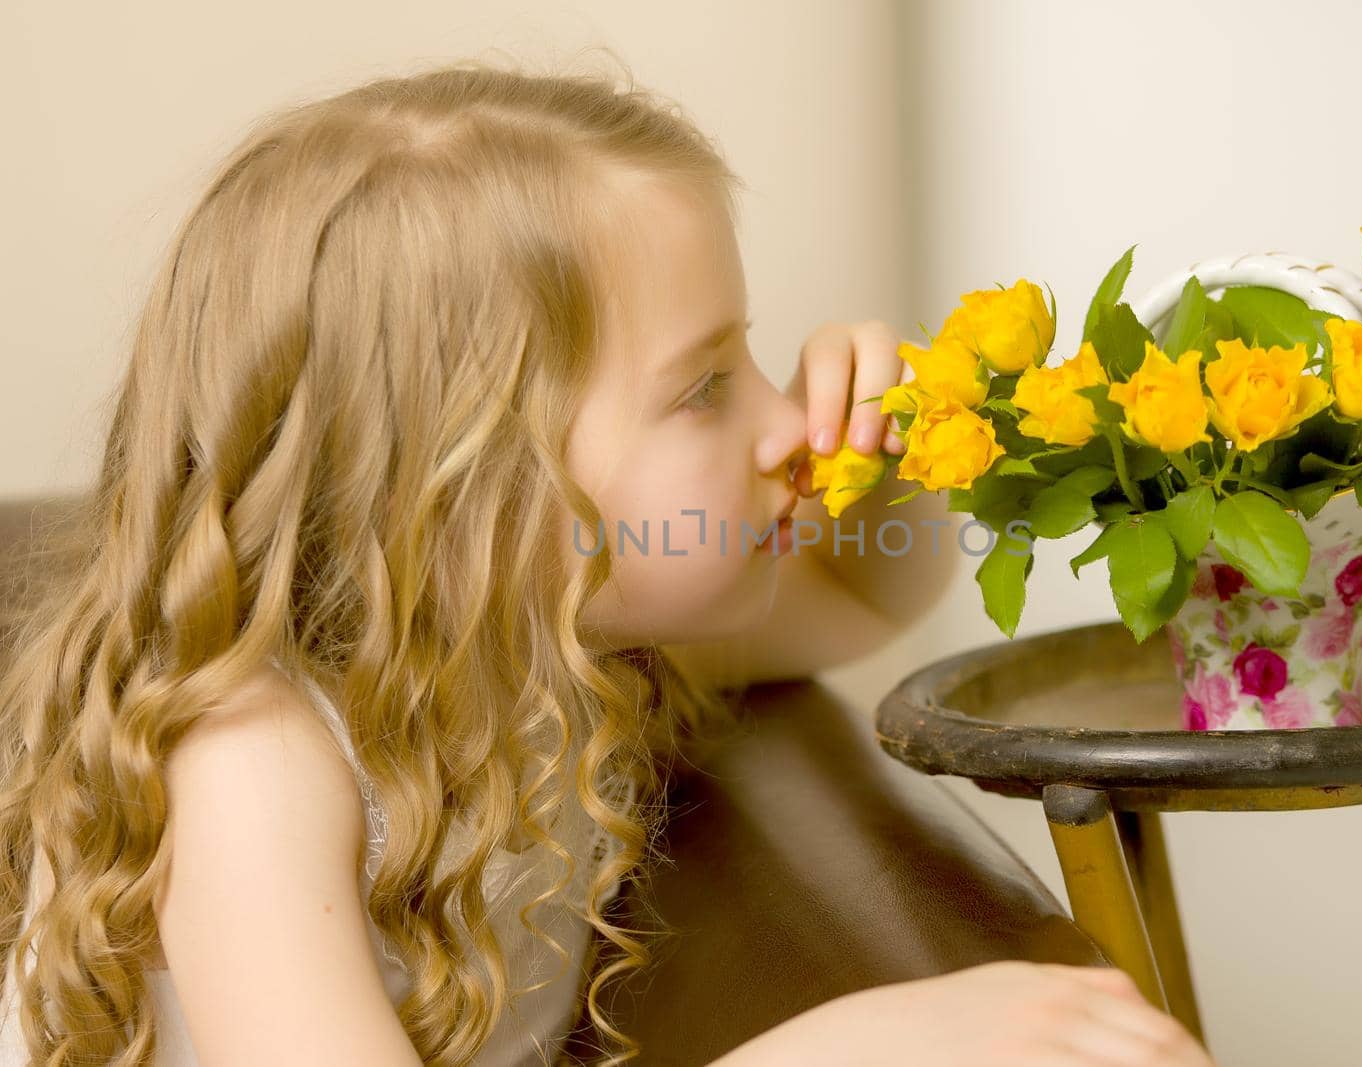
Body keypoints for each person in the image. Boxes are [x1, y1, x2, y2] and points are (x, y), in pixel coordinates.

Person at [0, 58, 1217, 1067]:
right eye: (702, 387)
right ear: (472, 489)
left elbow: (852, 599)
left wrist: (889, 459)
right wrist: (835, 1047)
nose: (781, 419)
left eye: (750, 357)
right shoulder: (255, 760)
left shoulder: (570, 636)